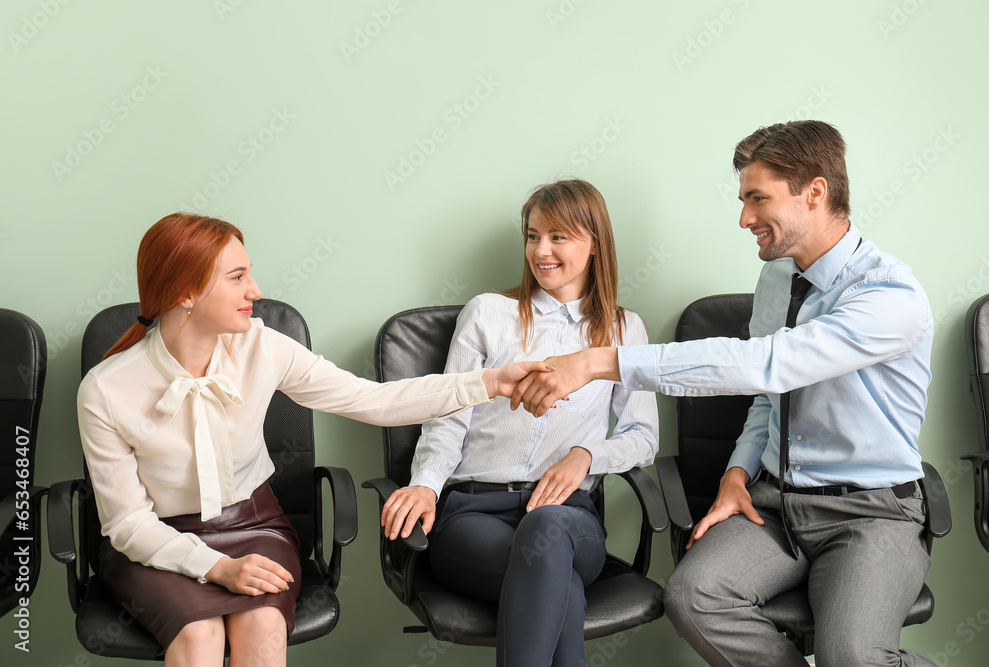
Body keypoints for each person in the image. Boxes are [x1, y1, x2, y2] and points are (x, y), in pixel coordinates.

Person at [511, 121, 935, 666]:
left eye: (759, 199)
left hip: (871, 513)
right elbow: (768, 399)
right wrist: (737, 473)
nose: (744, 218)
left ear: (815, 191)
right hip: (777, 504)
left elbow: (768, 366)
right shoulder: (778, 278)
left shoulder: (888, 296)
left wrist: (600, 362)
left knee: (852, 656)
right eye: (743, 200)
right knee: (692, 598)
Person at [77, 213, 548, 667]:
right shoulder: (106, 389)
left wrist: (489, 382)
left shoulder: (263, 346)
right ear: (186, 293)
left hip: (253, 528)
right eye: (237, 277)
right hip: (154, 545)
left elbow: (374, 401)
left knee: (262, 622)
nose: (255, 292)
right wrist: (216, 568)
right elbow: (127, 524)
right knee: (199, 635)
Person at [380, 179, 658, 667]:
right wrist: (425, 484)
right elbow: (449, 417)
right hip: (473, 514)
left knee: (547, 527)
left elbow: (644, 437)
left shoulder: (622, 329)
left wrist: (588, 455)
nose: (541, 251)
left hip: (571, 516)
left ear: (595, 244)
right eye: (532, 236)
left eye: (558, 237)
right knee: (559, 585)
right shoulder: (489, 313)